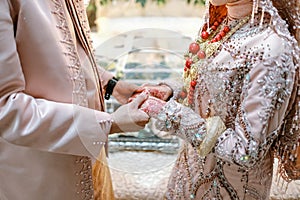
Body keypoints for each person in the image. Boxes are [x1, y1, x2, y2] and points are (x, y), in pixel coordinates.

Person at [136, 0, 300, 199]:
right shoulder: (222, 27)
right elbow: (213, 90)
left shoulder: (271, 48)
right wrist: (170, 91)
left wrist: (172, 115)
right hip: (185, 183)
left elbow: (245, 150)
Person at [0, 0, 150, 199]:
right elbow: (6, 107)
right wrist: (109, 124)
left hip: (90, 160)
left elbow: (64, 54)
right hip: (42, 174)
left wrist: (110, 84)